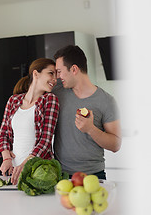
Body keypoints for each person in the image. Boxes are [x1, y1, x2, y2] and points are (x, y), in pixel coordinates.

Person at [52, 45, 121, 179]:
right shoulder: (56, 96)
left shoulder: (106, 101)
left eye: (59, 71)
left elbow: (116, 144)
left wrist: (90, 129)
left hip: (94, 176)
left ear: (74, 69)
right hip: (61, 175)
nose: (58, 76)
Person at [0, 58, 59, 185]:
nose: (55, 79)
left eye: (56, 76)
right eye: (51, 73)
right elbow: (3, 134)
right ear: (36, 74)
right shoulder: (13, 100)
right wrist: (6, 158)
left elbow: (45, 141)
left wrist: (25, 165)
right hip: (13, 172)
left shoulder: (50, 100)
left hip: (39, 171)